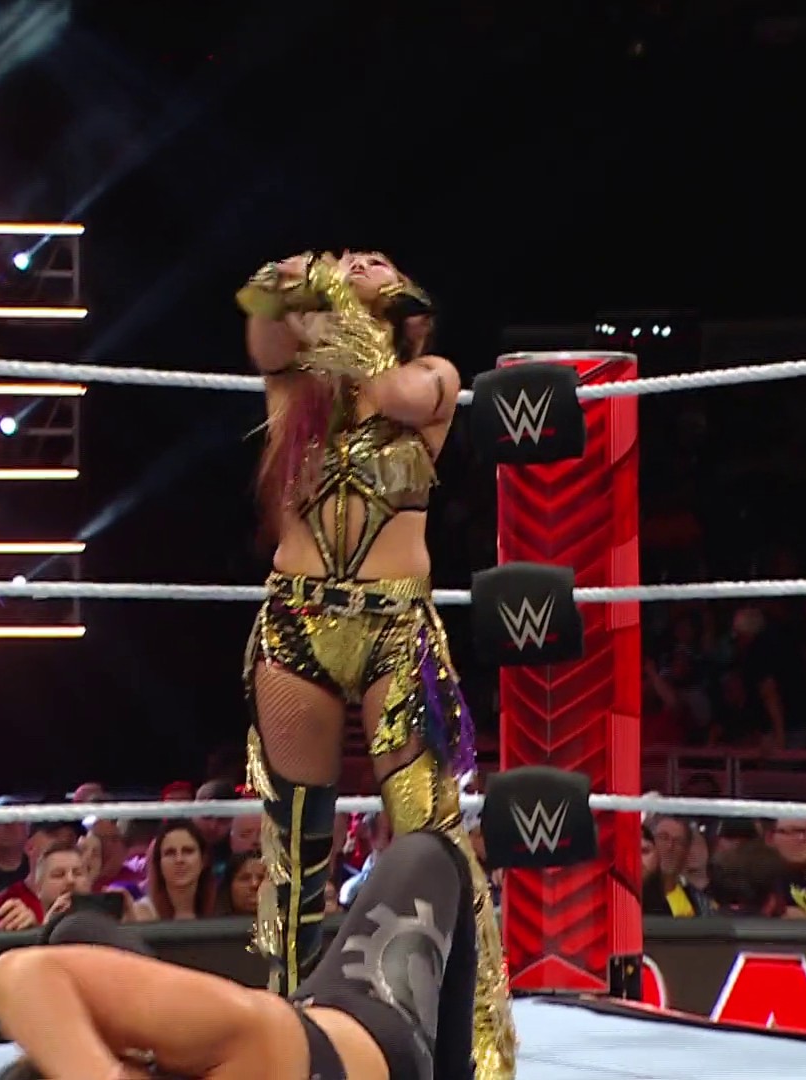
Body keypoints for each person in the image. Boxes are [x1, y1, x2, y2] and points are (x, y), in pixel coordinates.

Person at [236, 250, 514, 1080]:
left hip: (395, 630)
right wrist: (286, 283)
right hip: (297, 622)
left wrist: (340, 302)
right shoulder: (294, 385)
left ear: (406, 301)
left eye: (377, 260)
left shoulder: (432, 376)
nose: (356, 257)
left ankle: (480, 1047)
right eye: (350, 254)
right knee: (295, 844)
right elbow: (260, 326)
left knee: (432, 836)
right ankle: (289, 1037)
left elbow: (392, 393)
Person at [0, 828, 478, 1080]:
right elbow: (18, 977)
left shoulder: (225, 1034)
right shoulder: (246, 1045)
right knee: (429, 852)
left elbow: (18, 976)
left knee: (75, 927)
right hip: (382, 1041)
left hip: (316, 1024)